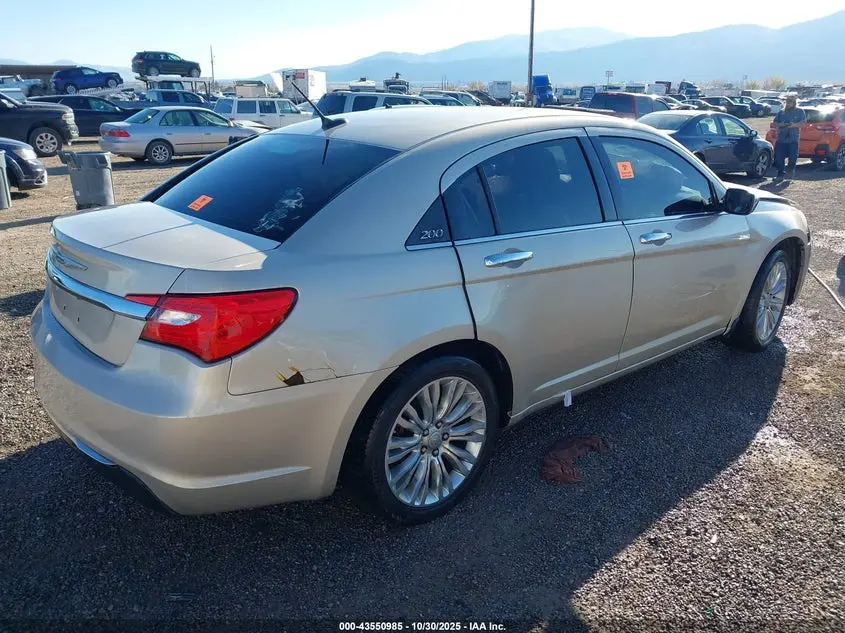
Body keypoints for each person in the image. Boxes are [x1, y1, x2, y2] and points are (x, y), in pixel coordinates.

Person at [772, 95, 806, 181]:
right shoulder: (781, 112)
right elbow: (775, 123)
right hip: (781, 139)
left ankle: (790, 173)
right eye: (787, 101)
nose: (788, 103)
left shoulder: (800, 111)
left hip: (793, 139)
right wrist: (781, 124)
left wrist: (793, 125)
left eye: (790, 101)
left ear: (794, 103)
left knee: (793, 157)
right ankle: (780, 175)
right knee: (779, 157)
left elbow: (803, 123)